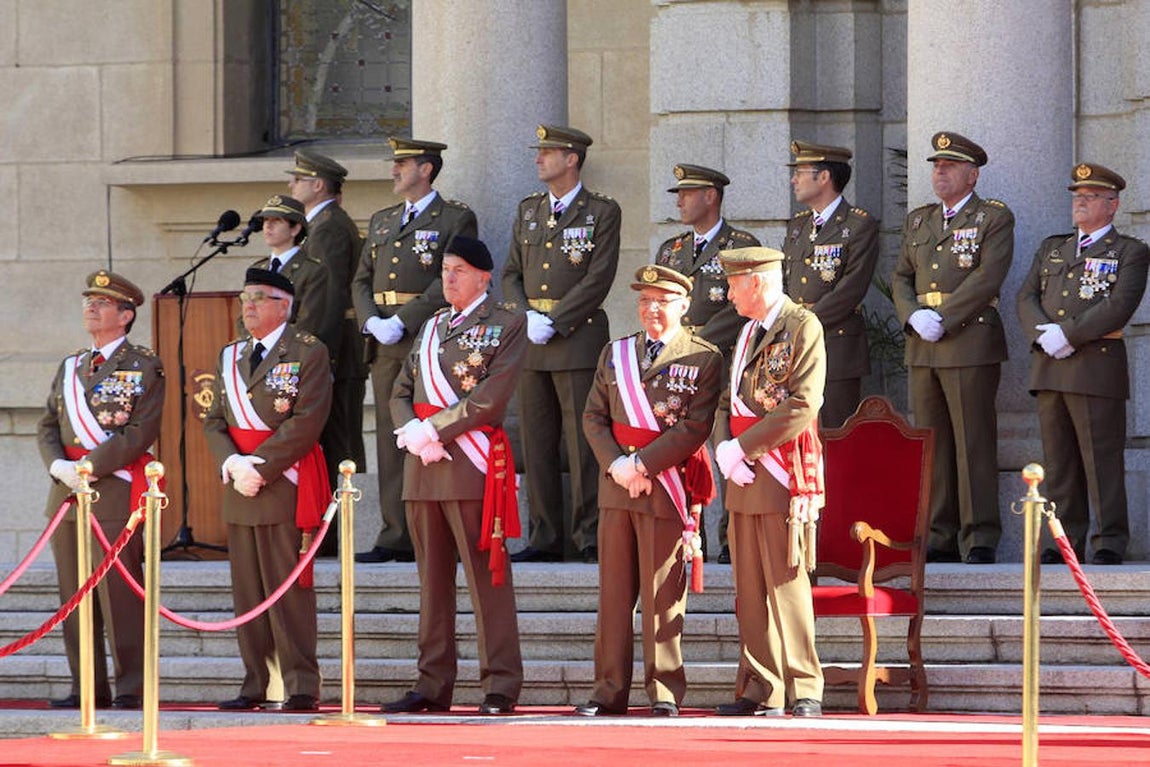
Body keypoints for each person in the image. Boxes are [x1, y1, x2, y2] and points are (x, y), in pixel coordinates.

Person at [382, 236, 525, 715]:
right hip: (423, 466)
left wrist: (434, 431)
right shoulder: (431, 325)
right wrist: (412, 431)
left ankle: (500, 684)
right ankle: (432, 682)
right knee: (432, 584)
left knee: (488, 580)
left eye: (459, 269)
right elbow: (400, 388)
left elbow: (491, 398)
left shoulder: (506, 323)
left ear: (484, 276)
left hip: (470, 465)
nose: (448, 277)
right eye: (445, 268)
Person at [575, 265, 722, 717]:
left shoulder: (703, 357)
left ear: (683, 305)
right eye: (643, 300)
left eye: (661, 301)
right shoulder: (615, 352)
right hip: (618, 488)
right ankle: (608, 691)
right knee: (614, 596)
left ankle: (663, 692)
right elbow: (593, 417)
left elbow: (696, 426)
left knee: (662, 597)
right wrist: (618, 464)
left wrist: (643, 463)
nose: (651, 309)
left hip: (666, 487)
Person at [204, 268, 332, 712]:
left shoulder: (308, 352)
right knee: (248, 590)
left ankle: (299, 683)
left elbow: (307, 421)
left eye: (259, 297)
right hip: (240, 483)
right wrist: (232, 463)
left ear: (284, 305)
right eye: (245, 298)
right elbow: (214, 420)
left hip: (283, 481)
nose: (249, 306)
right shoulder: (230, 355)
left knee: (288, 590)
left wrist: (261, 466)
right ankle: (257, 680)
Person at [40, 270, 163, 711]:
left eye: (102, 302)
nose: (91, 307)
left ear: (126, 315)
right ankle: (87, 684)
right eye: (88, 300)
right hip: (67, 495)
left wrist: (88, 467)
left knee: (118, 595)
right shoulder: (71, 365)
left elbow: (139, 432)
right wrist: (59, 466)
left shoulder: (143, 364)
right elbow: (48, 425)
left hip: (112, 490)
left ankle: (131, 685)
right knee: (74, 596)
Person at [352, 138, 478, 564]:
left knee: (433, 432)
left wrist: (401, 320)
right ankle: (394, 533)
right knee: (393, 436)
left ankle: (432, 531)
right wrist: (370, 319)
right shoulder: (383, 220)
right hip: (385, 342)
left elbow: (448, 278)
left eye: (402, 164)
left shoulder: (455, 218)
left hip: (429, 338)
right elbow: (361, 279)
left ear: (426, 169)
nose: (393, 171)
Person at [1017, 162, 1150, 566]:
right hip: (1050, 364)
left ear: (1113, 205)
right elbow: (1026, 297)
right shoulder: (1052, 248)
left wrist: (1068, 335)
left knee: (1100, 458)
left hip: (1094, 366)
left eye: (1091, 196)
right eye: (1078, 195)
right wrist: (1043, 336)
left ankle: (1109, 537)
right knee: (1058, 462)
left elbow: (1119, 306)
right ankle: (1063, 538)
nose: (1081, 201)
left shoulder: (1129, 252)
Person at [712, 247, 825, 718]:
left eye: (735, 284)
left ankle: (805, 687)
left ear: (756, 282)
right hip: (744, 472)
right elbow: (728, 401)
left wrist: (744, 448)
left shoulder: (802, 326)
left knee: (786, 580)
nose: (728, 293)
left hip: (781, 471)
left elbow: (803, 402)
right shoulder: (745, 333)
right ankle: (762, 686)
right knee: (750, 585)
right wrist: (725, 450)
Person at [891, 131, 1013, 565]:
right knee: (933, 443)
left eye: (949, 165)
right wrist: (912, 315)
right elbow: (901, 275)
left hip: (968, 339)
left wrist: (944, 317)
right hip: (924, 344)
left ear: (972, 174)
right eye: (936, 165)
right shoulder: (920, 221)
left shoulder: (992, 218)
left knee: (973, 441)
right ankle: (940, 533)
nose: (939, 171)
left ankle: (980, 533)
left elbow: (987, 277)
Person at [503, 124, 621, 563]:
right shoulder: (529, 210)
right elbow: (511, 273)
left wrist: (555, 319)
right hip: (532, 341)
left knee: (583, 443)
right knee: (536, 444)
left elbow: (599, 277)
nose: (539, 159)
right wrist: (526, 316)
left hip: (576, 338)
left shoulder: (601, 212)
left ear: (572, 159)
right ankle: (545, 536)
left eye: (548, 152)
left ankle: (589, 535)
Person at [655, 163, 759, 565]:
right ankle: (683, 532)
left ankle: (732, 540)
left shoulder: (740, 246)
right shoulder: (672, 250)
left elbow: (740, 308)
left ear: (711, 196)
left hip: (721, 364)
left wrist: (692, 343)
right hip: (678, 369)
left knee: (728, 453)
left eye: (688, 193)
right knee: (677, 452)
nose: (679, 201)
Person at [286, 150, 368, 523]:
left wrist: (316, 357)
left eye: (298, 180)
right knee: (334, 438)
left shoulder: (330, 227)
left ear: (318, 185)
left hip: (334, 351)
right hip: (329, 349)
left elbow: (328, 297)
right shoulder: (318, 225)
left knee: (341, 441)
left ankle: (347, 525)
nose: (291, 186)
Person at [782, 140, 880, 429]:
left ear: (824, 177)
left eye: (800, 172)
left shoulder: (858, 224)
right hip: (793, 345)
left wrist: (803, 324)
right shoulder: (797, 225)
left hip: (835, 345)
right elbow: (786, 282)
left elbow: (851, 288)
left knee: (835, 432)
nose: (793, 179)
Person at [249, 195, 332, 347]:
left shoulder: (312, 270)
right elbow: (245, 316)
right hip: (257, 351)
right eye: (266, 220)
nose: (268, 226)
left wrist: (272, 345)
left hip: (291, 352)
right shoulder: (257, 269)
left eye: (277, 220)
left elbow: (309, 321)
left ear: (295, 228)